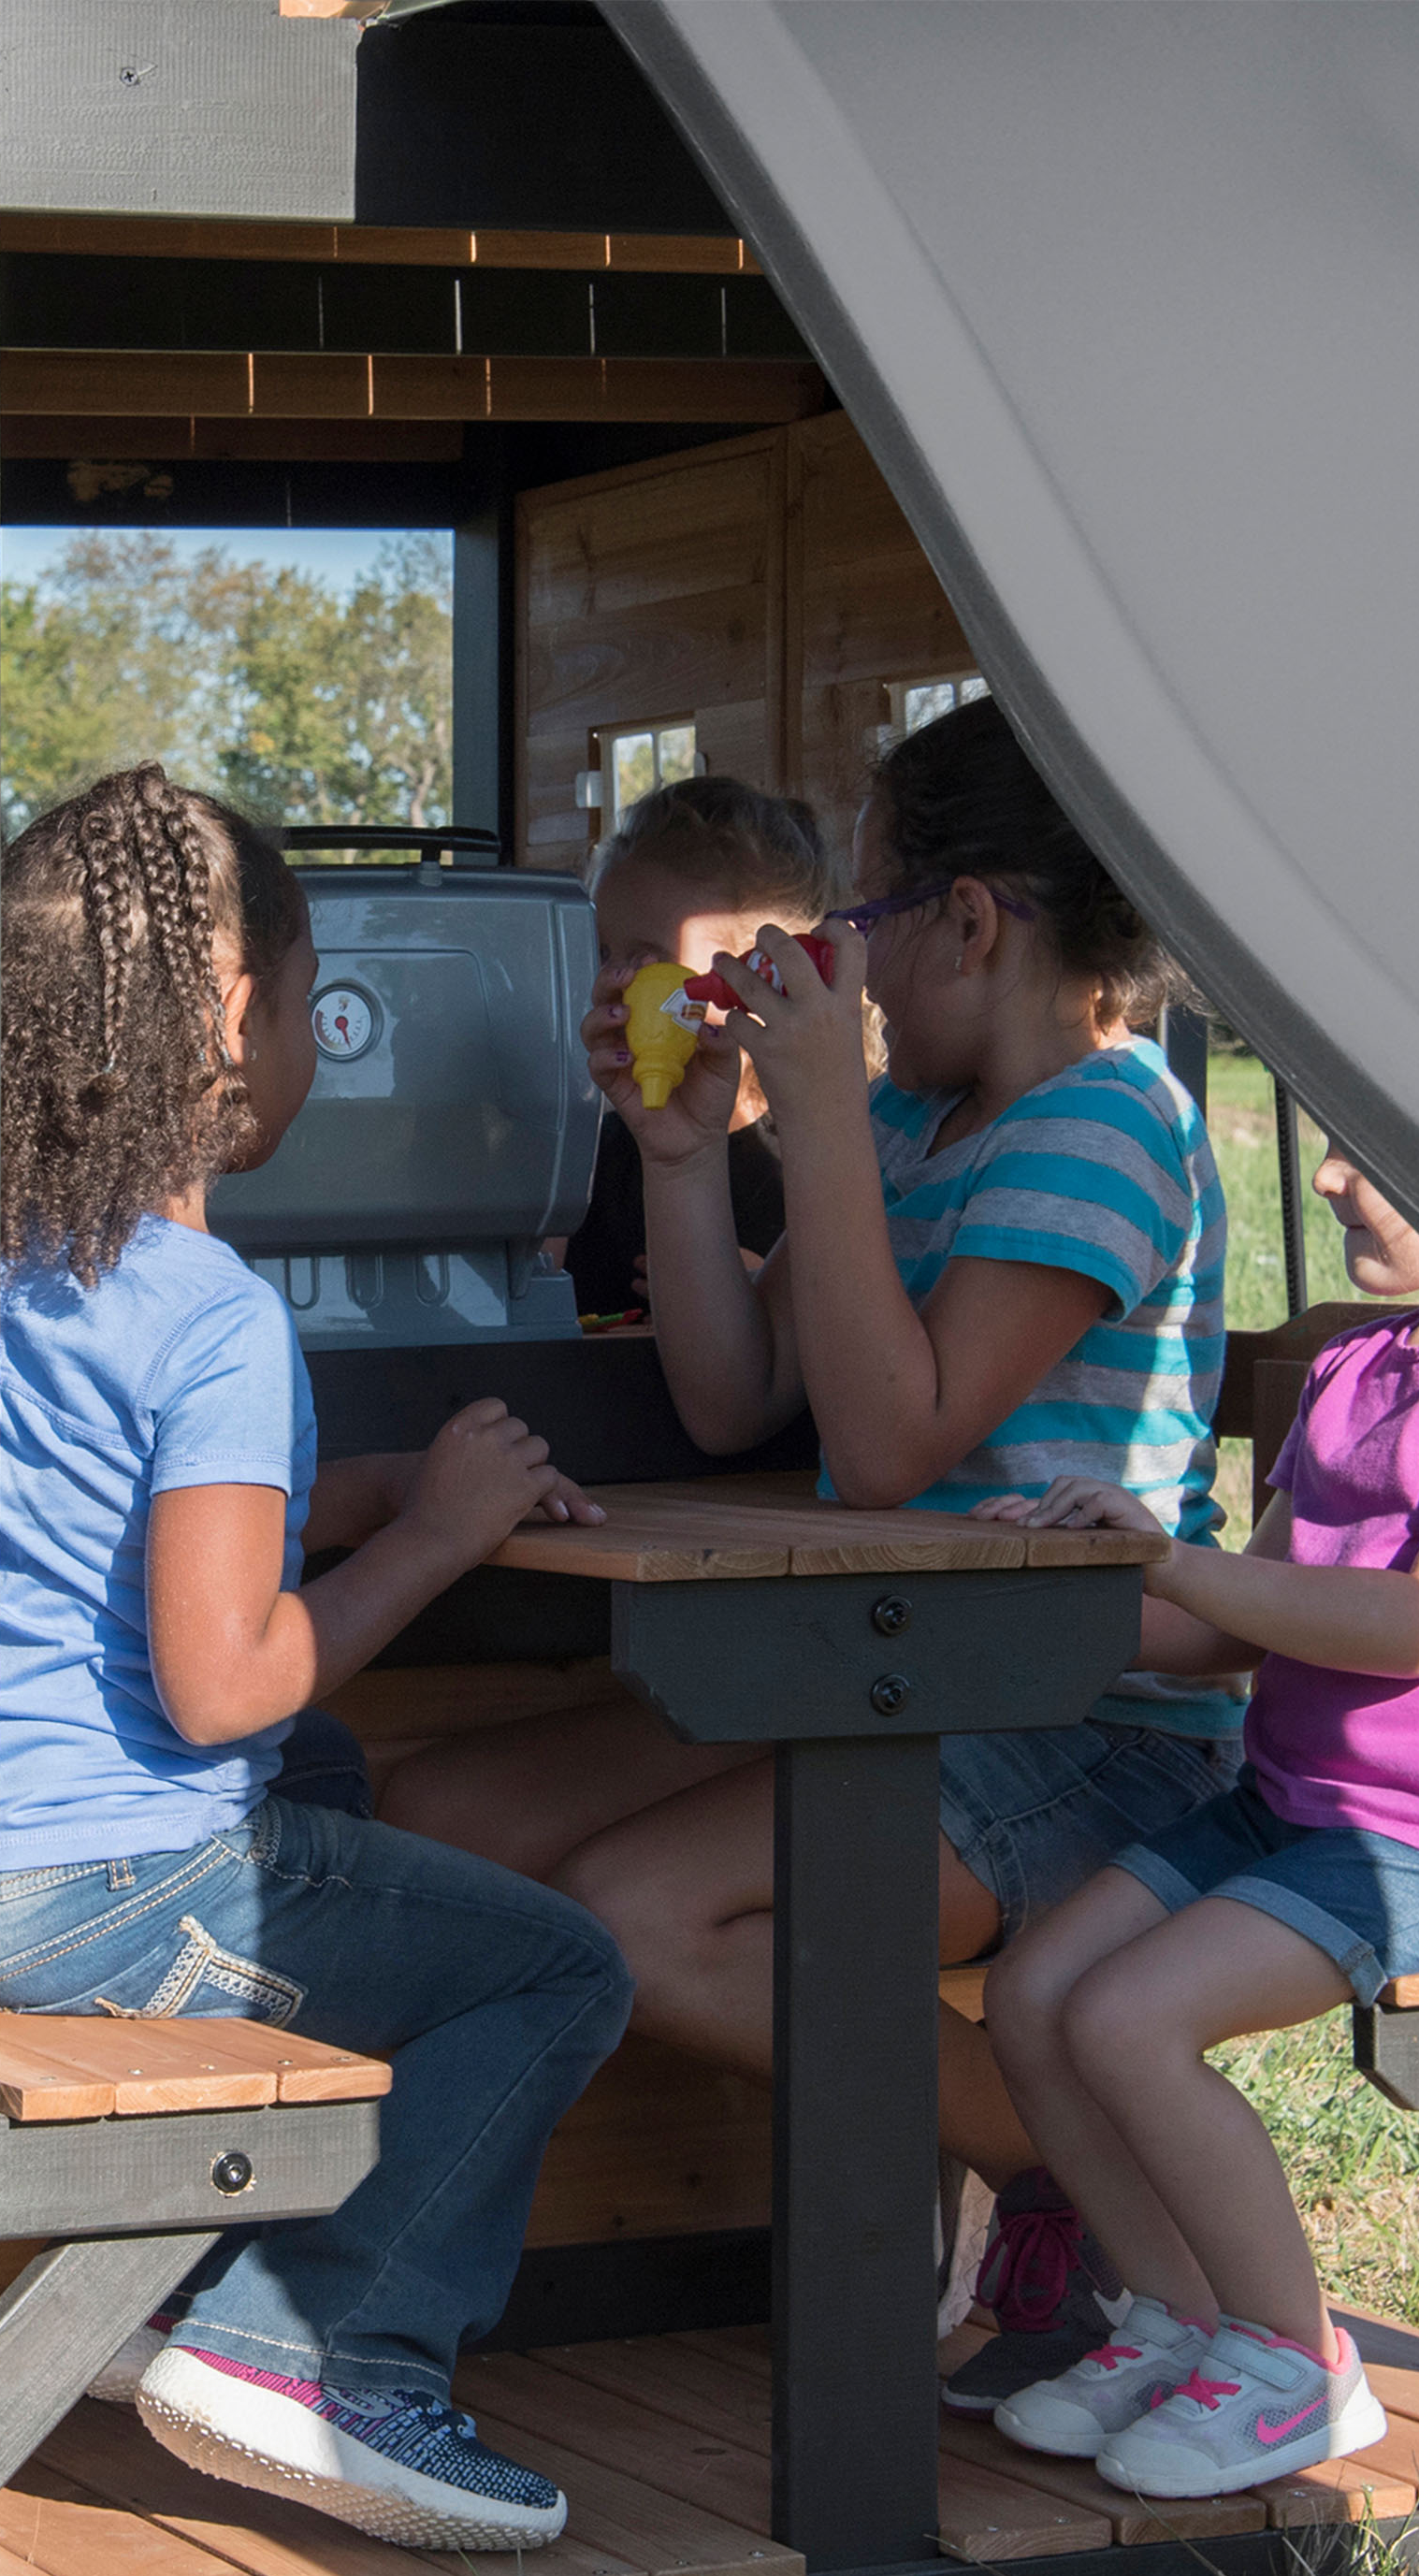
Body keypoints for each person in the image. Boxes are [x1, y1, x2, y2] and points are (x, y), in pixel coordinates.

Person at [378, 696, 1238, 2410]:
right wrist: (688, 1156)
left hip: (1078, 1718)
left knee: (642, 1915)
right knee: (433, 1824)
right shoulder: (922, 1128)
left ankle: (1069, 2169)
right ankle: (364, 2283)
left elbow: (894, 1446)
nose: (825, 959)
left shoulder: (1109, 1125)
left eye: (854, 919)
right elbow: (733, 1401)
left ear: (969, 923)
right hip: (875, 1667)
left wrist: (822, 1121)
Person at [0, 767, 633, 2551]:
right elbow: (224, 1687)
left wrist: (344, 1494)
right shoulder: (216, 1314)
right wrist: (436, 1539)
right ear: (237, 1021)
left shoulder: (14, 1263)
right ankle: (324, 2350)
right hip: (112, 1888)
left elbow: (107, 1523)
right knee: (558, 1972)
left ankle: (186, 2299)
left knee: (345, 1799)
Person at [977, 1148, 1419, 2496]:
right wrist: (1068, 1581)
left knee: (1126, 2019)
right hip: (1282, 1808)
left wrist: (1175, 1558)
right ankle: (1177, 2321)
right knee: (1032, 1990)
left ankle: (1298, 2366)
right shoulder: (1359, 1370)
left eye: (1378, 1153)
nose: (1336, 1177)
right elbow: (1230, 1630)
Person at [559, 775, 833, 1316]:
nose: (616, 978)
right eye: (601, 952)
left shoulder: (808, 1163)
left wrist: (763, 1289)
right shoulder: (586, 1159)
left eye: (649, 958)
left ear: (761, 976)